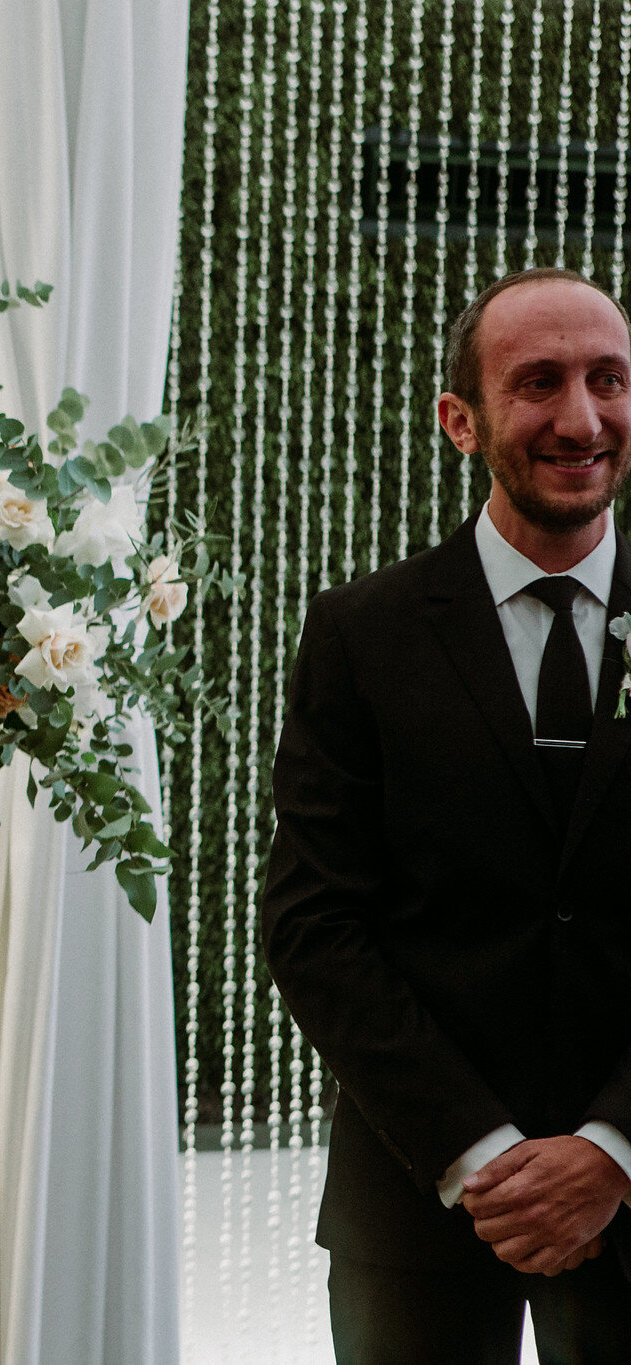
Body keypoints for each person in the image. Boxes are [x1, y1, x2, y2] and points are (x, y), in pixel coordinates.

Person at [265, 266, 631, 1362]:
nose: (579, 418)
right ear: (457, 420)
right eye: (537, 383)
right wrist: (479, 1158)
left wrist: (610, 1147)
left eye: (607, 380)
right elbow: (311, 928)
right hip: (417, 1200)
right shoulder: (359, 636)